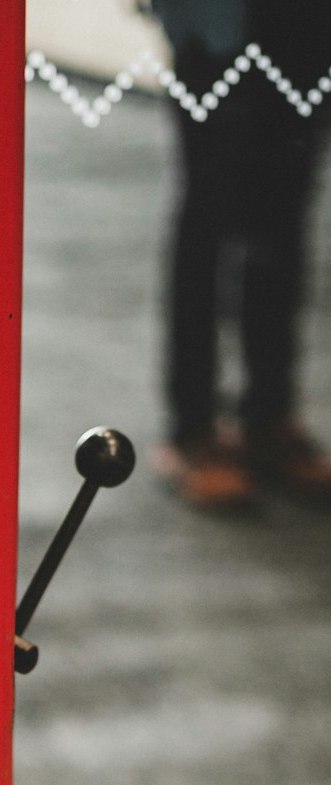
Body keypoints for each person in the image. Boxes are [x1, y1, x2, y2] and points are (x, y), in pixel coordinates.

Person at [152, 0, 331, 505]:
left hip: (302, 33)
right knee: (208, 218)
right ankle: (193, 430)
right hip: (216, 31)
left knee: (284, 226)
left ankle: (268, 417)